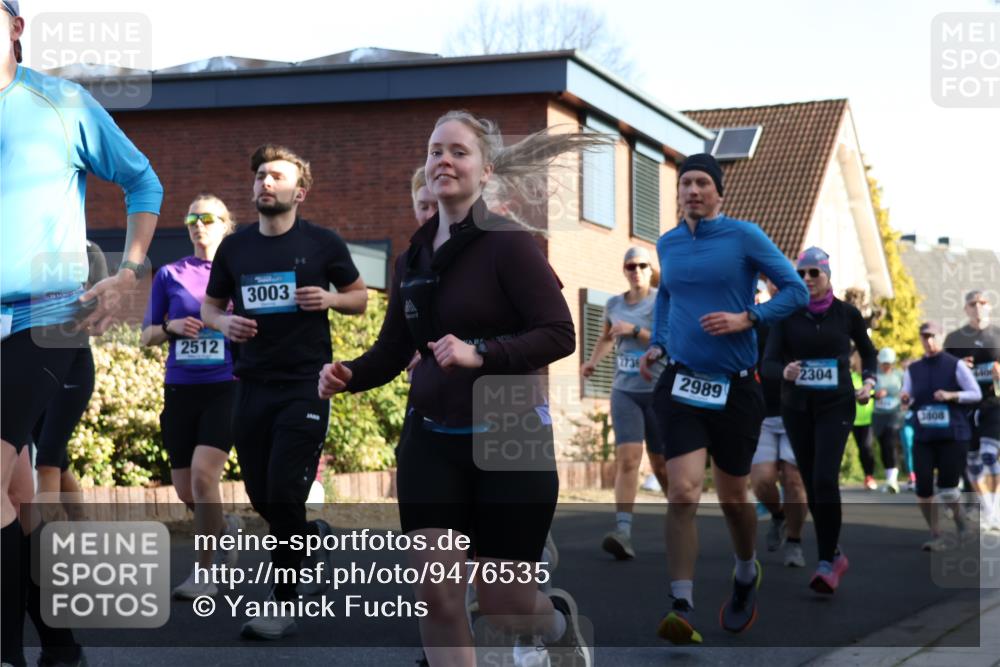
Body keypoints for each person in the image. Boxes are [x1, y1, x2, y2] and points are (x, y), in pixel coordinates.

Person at [319, 111, 611, 665]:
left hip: (510, 433)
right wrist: (349, 374)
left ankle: (556, 627)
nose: (443, 161)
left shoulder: (510, 245)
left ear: (485, 170)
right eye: (434, 151)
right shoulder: (414, 258)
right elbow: (392, 349)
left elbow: (559, 333)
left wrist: (482, 354)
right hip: (432, 436)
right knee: (438, 592)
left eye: (458, 151)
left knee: (503, 603)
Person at [2, 3, 162, 665]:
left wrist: (126, 274)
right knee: (17, 496)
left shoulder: (59, 102)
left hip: (46, 318)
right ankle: (60, 642)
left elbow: (140, 180)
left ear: (14, 26)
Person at [637, 153, 808, 644]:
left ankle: (746, 570)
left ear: (718, 192)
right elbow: (667, 296)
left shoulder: (744, 236)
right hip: (683, 383)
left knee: (735, 499)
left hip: (735, 386)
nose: (692, 190)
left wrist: (748, 318)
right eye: (685, 183)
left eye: (702, 183)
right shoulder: (667, 244)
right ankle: (682, 604)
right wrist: (659, 341)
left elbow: (794, 290)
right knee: (683, 490)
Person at [201, 144, 368, 639]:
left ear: (300, 190)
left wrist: (332, 298)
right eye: (259, 176)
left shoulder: (323, 244)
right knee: (260, 493)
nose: (265, 183)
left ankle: (284, 598)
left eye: (276, 176)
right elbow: (211, 307)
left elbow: (360, 297)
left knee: (283, 489)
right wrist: (225, 322)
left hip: (304, 384)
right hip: (251, 383)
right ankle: (310, 538)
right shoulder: (235, 248)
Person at [141, 194, 243, 598]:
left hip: (226, 386)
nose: (198, 224)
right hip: (181, 388)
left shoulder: (237, 273)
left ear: (225, 224)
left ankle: (204, 575)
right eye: (191, 218)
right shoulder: (170, 274)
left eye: (207, 218)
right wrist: (172, 327)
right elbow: (146, 334)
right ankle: (226, 528)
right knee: (188, 491)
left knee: (204, 477)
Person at [762, 247, 878, 595]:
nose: (807, 279)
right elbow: (766, 364)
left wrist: (869, 382)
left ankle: (826, 561)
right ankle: (834, 551)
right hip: (796, 407)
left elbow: (868, 352)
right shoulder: (786, 316)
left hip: (836, 405)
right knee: (812, 482)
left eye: (814, 272)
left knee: (825, 478)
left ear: (828, 275)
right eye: (801, 274)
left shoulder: (847, 314)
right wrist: (785, 370)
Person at [580, 246, 668, 560]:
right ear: (624, 270)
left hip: (657, 390)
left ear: (650, 269)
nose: (636, 271)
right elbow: (607, 337)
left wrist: (633, 330)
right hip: (624, 390)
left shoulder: (661, 299)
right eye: (630, 266)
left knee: (660, 463)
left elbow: (665, 339)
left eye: (642, 265)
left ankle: (681, 517)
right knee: (629, 459)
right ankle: (623, 531)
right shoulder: (614, 303)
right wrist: (591, 362)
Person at [902, 322, 981, 550]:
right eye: (925, 337)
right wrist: (905, 399)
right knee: (923, 487)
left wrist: (951, 395)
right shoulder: (913, 369)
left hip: (953, 435)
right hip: (924, 435)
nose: (929, 341)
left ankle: (960, 524)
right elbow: (907, 396)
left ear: (941, 337)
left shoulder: (955, 365)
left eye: (933, 336)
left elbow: (975, 393)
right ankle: (936, 534)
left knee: (947, 488)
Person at [750, 278, 808, 568]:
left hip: (797, 411)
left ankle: (795, 543)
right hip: (763, 412)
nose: (777, 286)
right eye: (772, 281)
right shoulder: (758, 321)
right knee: (760, 481)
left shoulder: (806, 319)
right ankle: (778, 516)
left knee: (793, 478)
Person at [943, 290, 1000, 531]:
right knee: (974, 459)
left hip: (995, 403)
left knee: (990, 454)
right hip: (966, 407)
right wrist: (959, 369)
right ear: (966, 309)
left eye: (982, 303)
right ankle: (988, 508)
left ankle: (994, 508)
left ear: (990, 306)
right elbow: (943, 372)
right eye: (972, 303)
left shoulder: (998, 334)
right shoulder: (955, 338)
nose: (978, 307)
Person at [872, 347, 905, 493]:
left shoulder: (899, 374)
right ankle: (889, 477)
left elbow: (906, 391)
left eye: (889, 363)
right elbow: (867, 390)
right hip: (879, 414)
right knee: (883, 445)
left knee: (891, 442)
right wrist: (875, 394)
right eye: (884, 363)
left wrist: (900, 397)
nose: (886, 366)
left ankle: (893, 480)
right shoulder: (874, 374)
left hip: (895, 413)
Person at [850, 352, 878, 490]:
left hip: (869, 419)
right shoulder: (851, 377)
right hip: (854, 420)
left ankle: (869, 476)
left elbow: (878, 393)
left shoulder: (871, 378)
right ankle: (866, 475)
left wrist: (874, 394)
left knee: (867, 447)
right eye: (858, 359)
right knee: (861, 449)